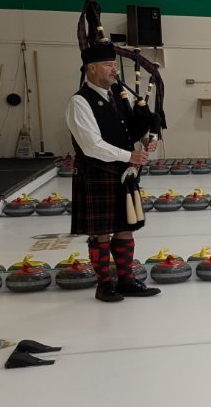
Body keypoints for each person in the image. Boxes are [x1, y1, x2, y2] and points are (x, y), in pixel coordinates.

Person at [66, 43, 161, 303]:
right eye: (108, 65)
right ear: (91, 68)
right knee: (100, 232)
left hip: (124, 172)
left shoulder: (118, 96)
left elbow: (131, 128)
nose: (113, 71)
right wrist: (129, 156)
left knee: (125, 227)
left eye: (113, 65)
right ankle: (104, 285)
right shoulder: (80, 102)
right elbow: (91, 144)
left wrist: (144, 141)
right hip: (97, 171)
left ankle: (127, 280)